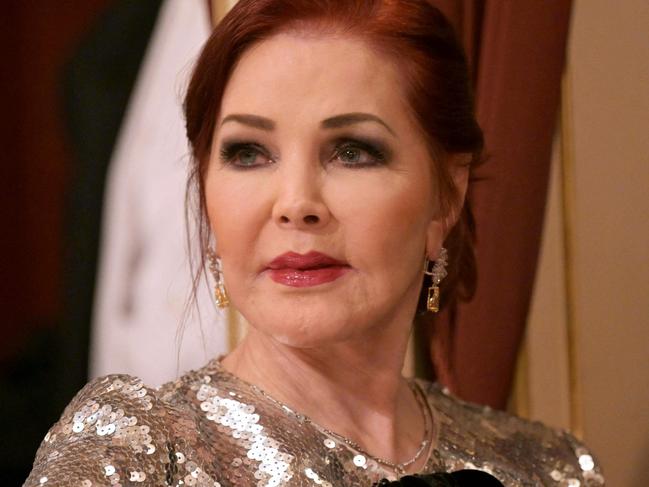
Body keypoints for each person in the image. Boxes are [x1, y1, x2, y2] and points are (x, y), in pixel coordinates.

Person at [24, 1, 604, 486]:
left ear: (445, 197)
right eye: (248, 153)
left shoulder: (548, 467)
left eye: (352, 151)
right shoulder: (132, 458)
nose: (295, 202)